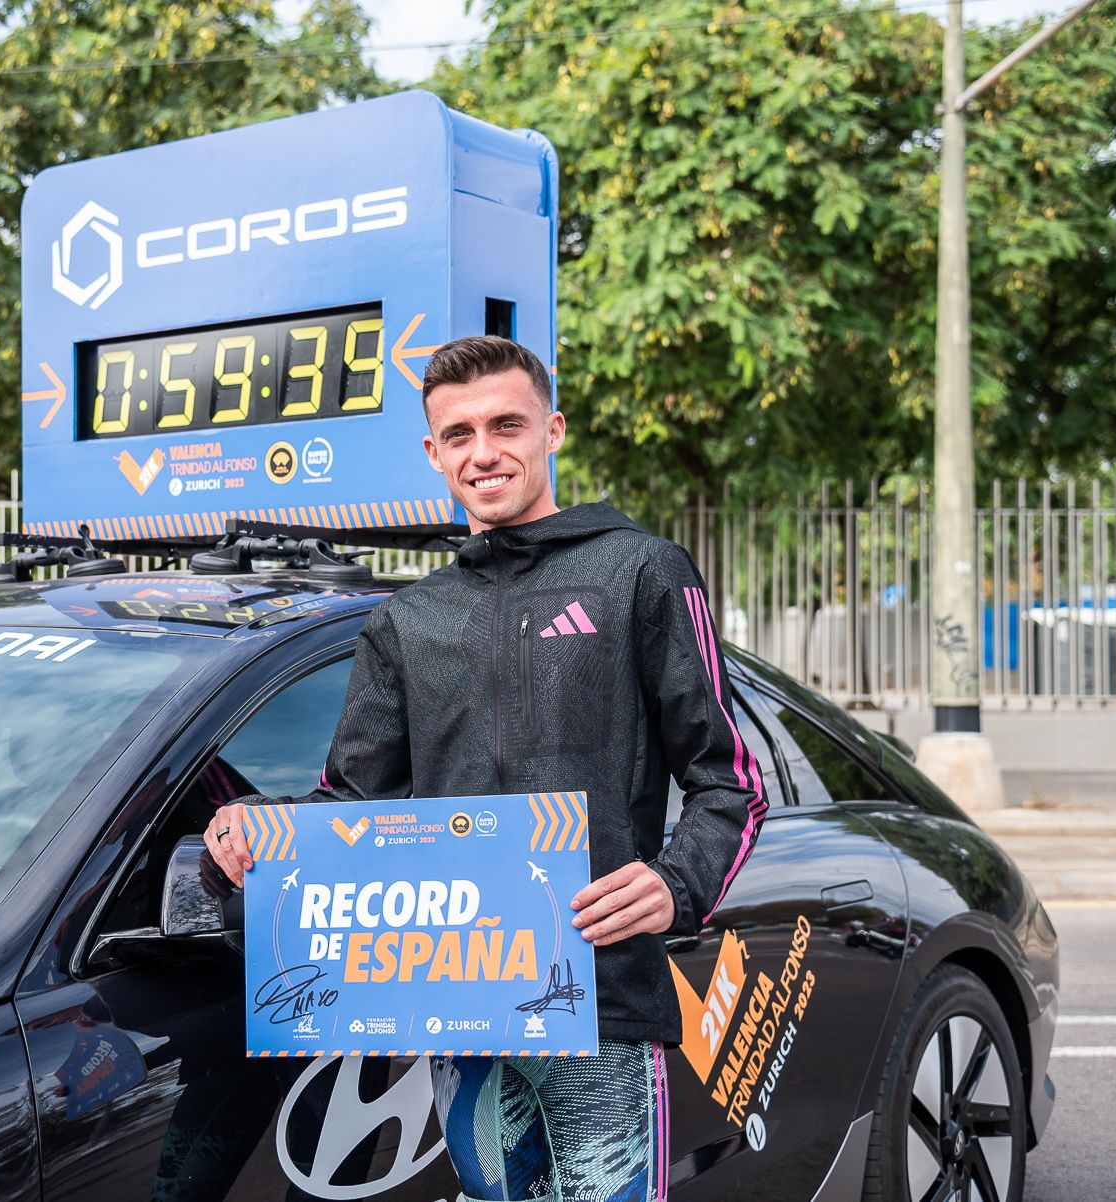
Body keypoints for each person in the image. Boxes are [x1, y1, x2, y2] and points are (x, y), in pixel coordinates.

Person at [203, 335, 766, 1202]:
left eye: (506, 424)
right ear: (433, 453)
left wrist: (675, 884)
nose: (483, 451)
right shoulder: (409, 620)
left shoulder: (641, 573)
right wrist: (250, 830)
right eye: (458, 434)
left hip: (602, 999)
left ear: (553, 429)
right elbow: (349, 805)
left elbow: (730, 778)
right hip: (459, 1012)